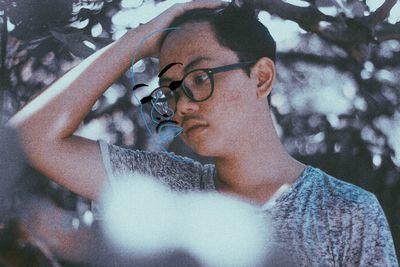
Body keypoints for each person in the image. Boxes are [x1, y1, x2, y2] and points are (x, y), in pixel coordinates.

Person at [7, 1, 398, 265]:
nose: (183, 104)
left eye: (199, 77)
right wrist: (141, 38)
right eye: (170, 89)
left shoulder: (346, 212)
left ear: (260, 78)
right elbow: (27, 141)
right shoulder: (161, 189)